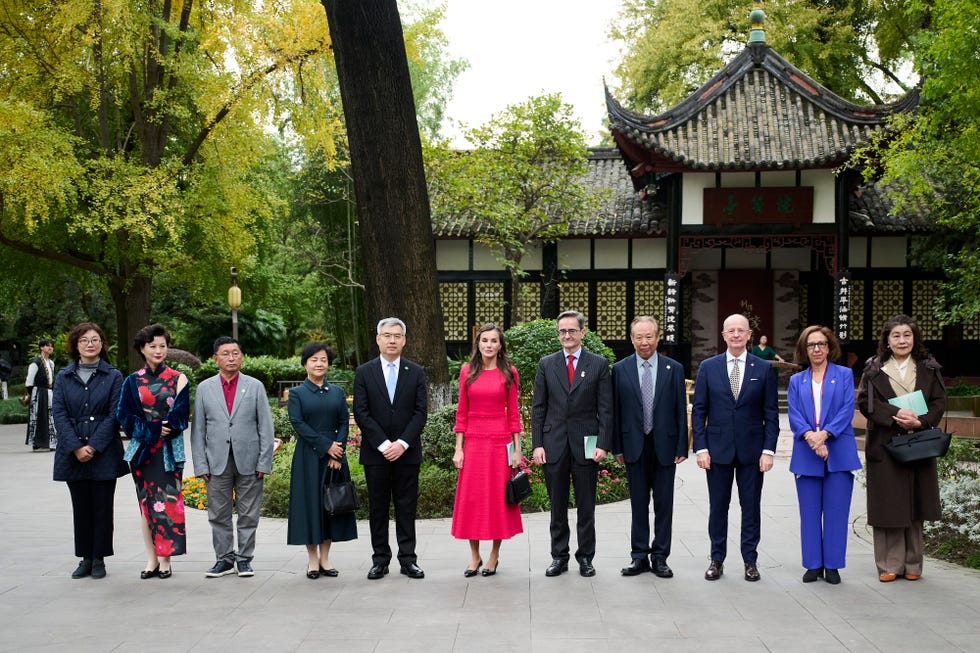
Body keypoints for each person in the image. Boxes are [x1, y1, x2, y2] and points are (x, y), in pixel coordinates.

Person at [692, 313, 779, 582]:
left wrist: (768, 451)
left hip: (752, 451)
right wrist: (701, 448)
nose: (736, 335)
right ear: (724, 335)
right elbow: (699, 411)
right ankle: (716, 559)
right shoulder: (709, 367)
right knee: (718, 507)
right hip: (717, 450)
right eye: (731, 330)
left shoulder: (763, 368)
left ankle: (750, 560)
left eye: (741, 330)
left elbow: (771, 413)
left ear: (749, 334)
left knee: (750, 507)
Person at [858, 314, 945, 582]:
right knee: (888, 505)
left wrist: (921, 421)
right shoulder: (874, 368)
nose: (902, 340)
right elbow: (866, 402)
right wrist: (896, 414)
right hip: (885, 444)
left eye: (907, 335)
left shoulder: (928, 368)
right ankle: (889, 565)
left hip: (918, 442)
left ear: (914, 338)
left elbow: (939, 401)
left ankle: (913, 564)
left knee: (915, 503)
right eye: (896, 335)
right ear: (887, 340)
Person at [531, 310, 612, 578]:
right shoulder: (547, 364)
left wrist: (603, 443)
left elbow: (606, 409)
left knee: (586, 506)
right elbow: (538, 408)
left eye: (572, 331)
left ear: (582, 333)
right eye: (562, 331)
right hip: (553, 443)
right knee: (557, 506)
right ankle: (559, 556)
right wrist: (537, 444)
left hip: (586, 444)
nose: (567, 335)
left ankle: (586, 558)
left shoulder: (598, 364)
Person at [190, 336, 275, 579]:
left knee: (249, 513)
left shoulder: (255, 386)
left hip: (250, 461)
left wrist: (264, 461)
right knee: (218, 514)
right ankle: (224, 559)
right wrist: (201, 464)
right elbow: (198, 430)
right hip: (216, 462)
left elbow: (265, 427)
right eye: (225, 354)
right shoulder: (205, 388)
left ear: (242, 356)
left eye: (235, 353)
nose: (231, 358)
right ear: (215, 358)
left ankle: (244, 559)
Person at [611, 316, 688, 579]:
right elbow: (616, 411)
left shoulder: (673, 368)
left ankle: (660, 557)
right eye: (639, 337)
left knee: (664, 505)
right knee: (638, 504)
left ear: (657, 338)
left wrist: (682, 445)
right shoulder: (620, 369)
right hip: (634, 445)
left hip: (665, 446)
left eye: (649, 336)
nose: (644, 342)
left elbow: (680, 410)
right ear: (631, 339)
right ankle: (639, 556)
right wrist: (617, 447)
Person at [353, 317, 428, 580]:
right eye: (387, 335)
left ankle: (408, 560)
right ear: (378, 339)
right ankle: (380, 560)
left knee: (407, 507)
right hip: (376, 454)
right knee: (378, 508)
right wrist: (385, 445)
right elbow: (361, 412)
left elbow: (420, 412)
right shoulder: (364, 372)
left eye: (397, 336)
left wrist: (402, 443)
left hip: (408, 453)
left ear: (404, 340)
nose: (392, 340)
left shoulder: (415, 371)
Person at [787, 326, 862, 585]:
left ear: (829, 348)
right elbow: (794, 414)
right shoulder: (797, 380)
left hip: (838, 450)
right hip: (807, 452)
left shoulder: (843, 375)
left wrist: (825, 435)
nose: (816, 349)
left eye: (821, 344)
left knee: (836, 512)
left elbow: (846, 410)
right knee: (809, 513)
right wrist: (811, 437)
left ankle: (832, 565)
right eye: (811, 345)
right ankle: (812, 564)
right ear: (804, 350)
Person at [51, 323, 126, 579]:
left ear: (102, 344)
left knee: (102, 507)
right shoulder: (64, 376)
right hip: (72, 452)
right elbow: (59, 413)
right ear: (76, 345)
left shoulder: (113, 376)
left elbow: (114, 414)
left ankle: (99, 558)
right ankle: (84, 557)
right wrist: (76, 447)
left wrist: (93, 446)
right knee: (81, 507)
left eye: (95, 340)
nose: (90, 344)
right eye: (84, 340)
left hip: (103, 452)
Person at [117, 324, 190, 579]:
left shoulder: (179, 378)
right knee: (146, 505)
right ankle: (151, 559)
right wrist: (152, 429)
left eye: (163, 346)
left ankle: (165, 559)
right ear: (142, 349)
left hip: (168, 451)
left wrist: (163, 428)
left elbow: (181, 415)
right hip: (142, 452)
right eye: (152, 346)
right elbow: (124, 415)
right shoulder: (132, 381)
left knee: (167, 503)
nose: (158, 350)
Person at [451, 324, 523, 577]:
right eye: (484, 340)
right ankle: (474, 556)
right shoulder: (467, 371)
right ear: (478, 344)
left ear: (500, 345)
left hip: (500, 443)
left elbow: (514, 414)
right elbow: (461, 412)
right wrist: (458, 449)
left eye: (494, 340)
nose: (489, 345)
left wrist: (517, 450)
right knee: (472, 499)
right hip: (473, 443)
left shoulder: (509, 372)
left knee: (496, 500)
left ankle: (494, 555)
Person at [287, 342, 356, 579]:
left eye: (323, 360)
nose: (319, 364)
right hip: (308, 458)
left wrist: (338, 452)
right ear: (305, 364)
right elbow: (298, 423)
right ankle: (312, 560)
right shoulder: (297, 393)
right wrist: (327, 447)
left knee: (331, 507)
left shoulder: (336, 392)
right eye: (314, 360)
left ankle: (325, 559)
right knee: (310, 507)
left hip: (335, 457)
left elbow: (344, 422)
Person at [25, 338, 57, 451]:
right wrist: (32, 394)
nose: (50, 348)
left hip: (49, 392)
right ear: (41, 348)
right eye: (47, 346)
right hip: (39, 392)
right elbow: (29, 381)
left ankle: (51, 442)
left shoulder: (51, 363)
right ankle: (37, 442)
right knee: (38, 417)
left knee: (50, 417)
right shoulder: (36, 362)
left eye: (51, 346)